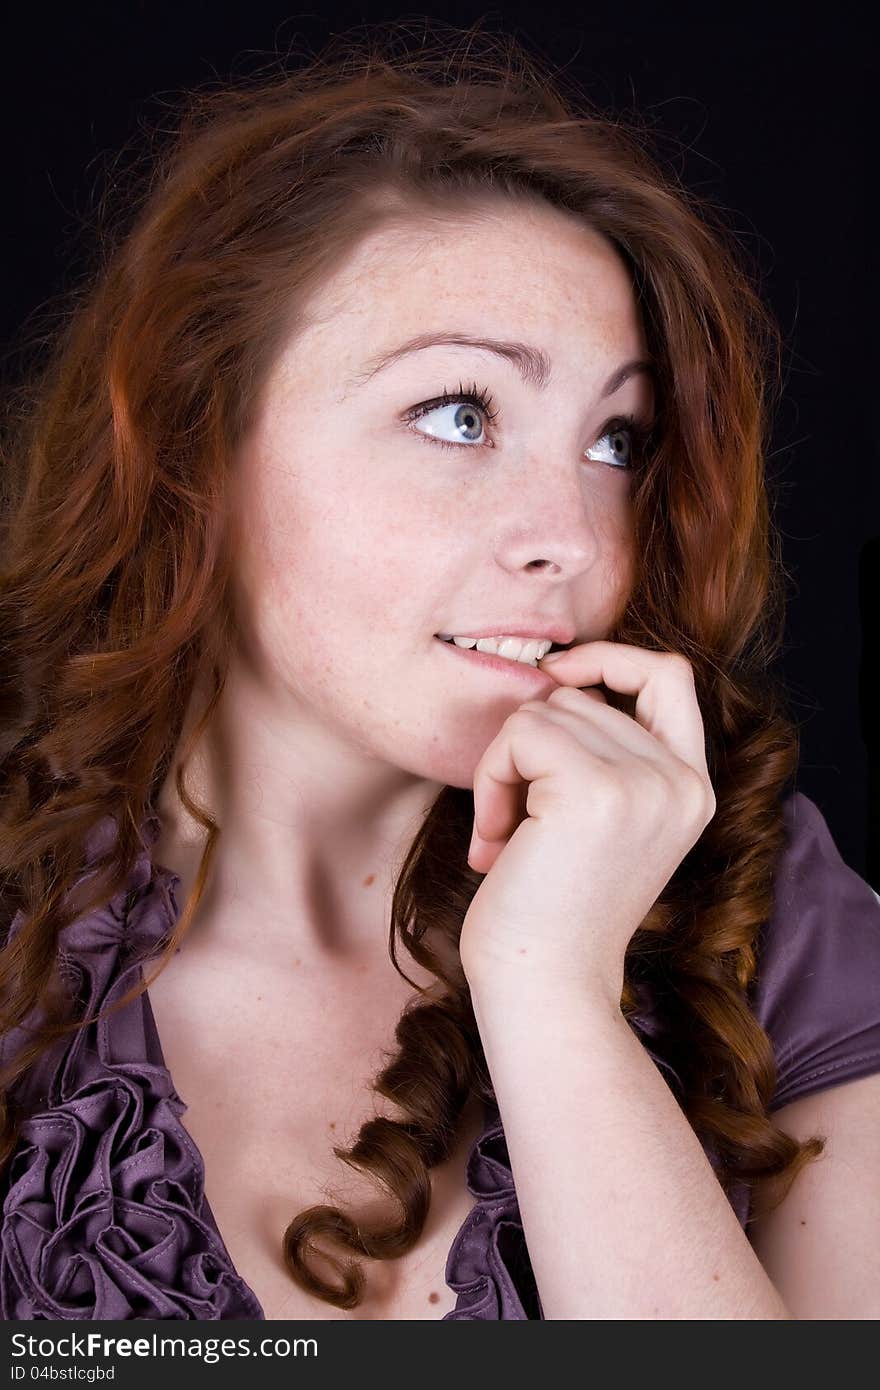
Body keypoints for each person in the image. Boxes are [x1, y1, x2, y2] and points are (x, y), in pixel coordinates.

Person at [1, 25, 878, 1322]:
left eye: (618, 439)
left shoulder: (767, 904)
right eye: (459, 413)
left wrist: (555, 990)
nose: (576, 538)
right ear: (197, 446)